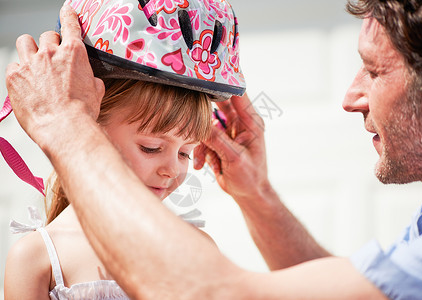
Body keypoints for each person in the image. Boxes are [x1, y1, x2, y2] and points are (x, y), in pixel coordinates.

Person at [5, 0, 422, 298]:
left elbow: (212, 289)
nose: (349, 97)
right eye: (151, 146)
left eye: (374, 70)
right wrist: (256, 194)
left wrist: (65, 127)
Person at [3, 0, 245, 299]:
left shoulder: (197, 249)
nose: (172, 169)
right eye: (151, 147)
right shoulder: (37, 258)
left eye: (185, 153)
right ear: (89, 122)